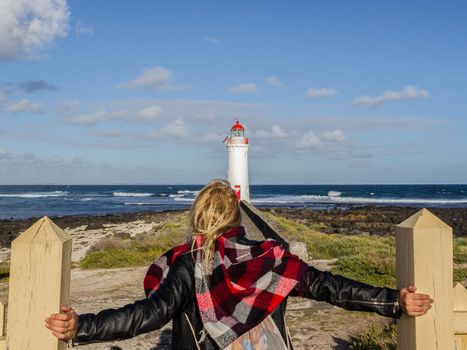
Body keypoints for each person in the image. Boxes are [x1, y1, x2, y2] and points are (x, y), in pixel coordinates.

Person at [46, 180, 433, 349]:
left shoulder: (186, 265)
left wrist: (83, 326)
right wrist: (393, 302)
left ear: (198, 218)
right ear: (237, 218)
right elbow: (331, 287)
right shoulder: (273, 261)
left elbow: (148, 315)